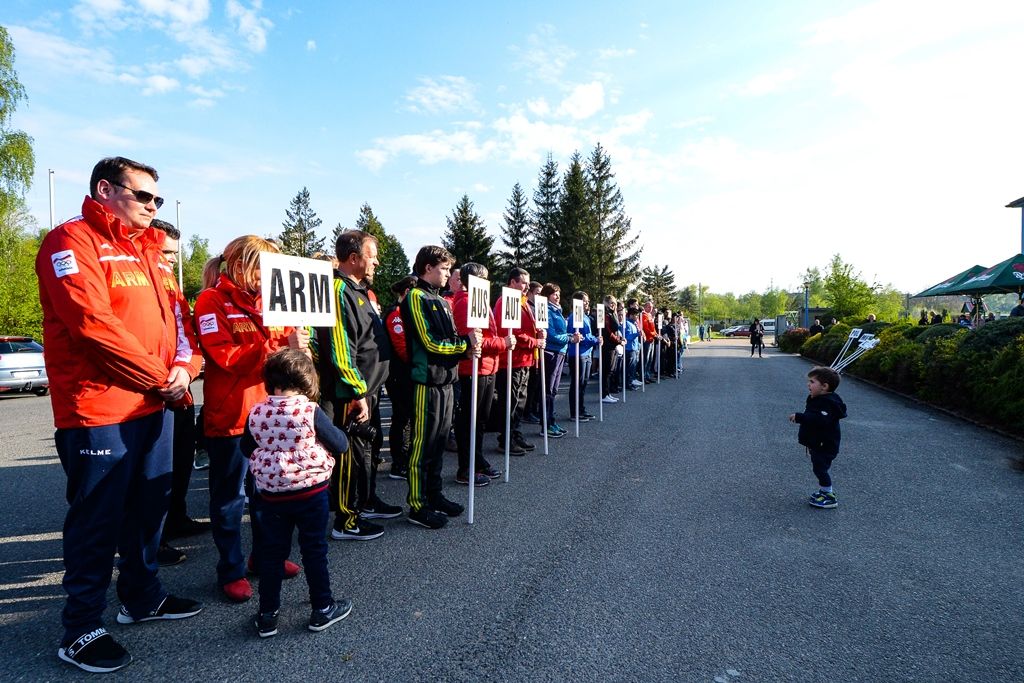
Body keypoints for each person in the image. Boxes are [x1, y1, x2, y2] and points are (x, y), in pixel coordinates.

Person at [37, 156, 202, 673]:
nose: (153, 206)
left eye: (157, 198)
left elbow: (179, 323)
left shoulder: (151, 250)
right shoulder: (71, 240)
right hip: (99, 409)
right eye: (144, 196)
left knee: (151, 508)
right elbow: (93, 326)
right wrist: (162, 379)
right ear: (105, 190)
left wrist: (185, 369)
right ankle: (80, 629)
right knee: (97, 520)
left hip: (156, 403)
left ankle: (142, 597)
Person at [194, 235, 305, 603]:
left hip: (268, 416)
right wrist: (278, 347)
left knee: (268, 495)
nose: (269, 278)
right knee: (230, 499)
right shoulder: (211, 300)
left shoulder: (273, 303)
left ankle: (264, 557)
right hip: (231, 416)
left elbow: (286, 351)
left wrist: (299, 346)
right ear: (241, 266)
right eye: (264, 269)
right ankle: (231, 570)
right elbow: (225, 357)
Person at [242, 349, 353, 638]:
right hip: (311, 493)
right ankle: (322, 607)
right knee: (314, 549)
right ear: (306, 379)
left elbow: (246, 448)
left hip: (271, 495)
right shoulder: (309, 411)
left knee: (272, 554)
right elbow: (340, 444)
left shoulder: (257, 412)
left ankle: (267, 615)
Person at [317, 230, 400, 542]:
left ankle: (364, 503)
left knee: (366, 452)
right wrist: (356, 390)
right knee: (350, 457)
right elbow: (341, 348)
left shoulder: (359, 290)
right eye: (371, 256)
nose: (376, 262)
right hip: (351, 394)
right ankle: (346, 520)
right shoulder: (338, 290)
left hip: (369, 390)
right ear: (353, 258)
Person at [400, 245, 481, 529]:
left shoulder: (442, 301)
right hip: (426, 382)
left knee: (438, 445)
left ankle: (434, 495)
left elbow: (452, 337)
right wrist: (464, 345)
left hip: (447, 381)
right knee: (423, 446)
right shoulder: (415, 297)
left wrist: (467, 347)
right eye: (444, 269)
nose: (448, 274)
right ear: (427, 268)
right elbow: (430, 342)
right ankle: (418, 504)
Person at [150, 219, 209, 566]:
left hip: (180, 391)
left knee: (181, 461)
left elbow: (186, 335)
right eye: (166, 252)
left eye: (174, 253)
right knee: (152, 475)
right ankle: (153, 540)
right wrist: (166, 378)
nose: (172, 259)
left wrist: (186, 371)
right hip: (155, 392)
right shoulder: (143, 282)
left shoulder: (171, 285)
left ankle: (177, 518)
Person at [451, 262, 510, 483]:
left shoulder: (478, 301)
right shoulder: (465, 302)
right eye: (483, 278)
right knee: (470, 421)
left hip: (487, 367)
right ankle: (466, 468)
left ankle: (477, 460)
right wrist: (503, 343)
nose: (487, 282)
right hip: (473, 369)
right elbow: (474, 342)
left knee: (481, 420)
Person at [493, 268, 543, 454]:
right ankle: (505, 439)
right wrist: (535, 342)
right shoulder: (506, 302)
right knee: (510, 402)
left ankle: (515, 434)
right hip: (511, 361)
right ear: (512, 282)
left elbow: (527, 329)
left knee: (520, 401)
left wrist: (539, 332)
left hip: (524, 360)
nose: (527, 287)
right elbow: (511, 333)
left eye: (528, 283)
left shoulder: (523, 303)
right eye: (523, 283)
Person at [788, 366, 847, 509]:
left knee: (820, 469)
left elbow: (819, 419)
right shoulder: (821, 399)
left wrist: (800, 417)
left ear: (824, 386)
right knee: (819, 467)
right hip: (819, 443)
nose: (808, 384)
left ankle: (829, 495)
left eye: (812, 382)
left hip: (825, 445)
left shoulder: (827, 403)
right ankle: (824, 490)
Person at [384, 276, 417, 480]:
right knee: (401, 418)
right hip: (399, 375)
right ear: (406, 293)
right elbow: (402, 348)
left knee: (407, 417)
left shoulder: (405, 312)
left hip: (406, 374)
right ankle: (399, 463)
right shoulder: (396, 314)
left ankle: (405, 458)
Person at [541, 283, 578, 437]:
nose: (557, 296)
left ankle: (551, 421)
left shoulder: (557, 310)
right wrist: (570, 338)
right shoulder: (547, 310)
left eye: (558, 293)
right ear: (547, 295)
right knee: (548, 390)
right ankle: (546, 425)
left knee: (554, 390)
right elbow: (551, 335)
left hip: (560, 352)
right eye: (554, 294)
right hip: (551, 352)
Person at [566, 291, 600, 422]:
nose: (587, 303)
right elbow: (578, 336)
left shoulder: (586, 317)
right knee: (577, 384)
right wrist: (595, 340)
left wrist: (595, 339)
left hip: (587, 353)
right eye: (585, 301)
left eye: (588, 301)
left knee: (584, 383)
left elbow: (588, 335)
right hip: (577, 353)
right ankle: (574, 412)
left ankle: (581, 409)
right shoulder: (573, 317)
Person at [599, 294, 623, 403]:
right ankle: (604, 394)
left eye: (614, 303)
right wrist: (618, 340)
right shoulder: (604, 314)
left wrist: (620, 339)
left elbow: (616, 328)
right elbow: (607, 331)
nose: (612, 305)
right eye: (610, 303)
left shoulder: (612, 314)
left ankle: (607, 393)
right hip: (607, 345)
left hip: (613, 345)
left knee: (610, 370)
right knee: (606, 370)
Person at [623, 306, 641, 389]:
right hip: (629, 349)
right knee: (629, 368)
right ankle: (628, 384)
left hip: (634, 348)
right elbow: (627, 337)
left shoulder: (634, 324)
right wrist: (637, 334)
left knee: (632, 367)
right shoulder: (627, 324)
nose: (637, 317)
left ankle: (631, 382)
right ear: (631, 315)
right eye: (636, 315)